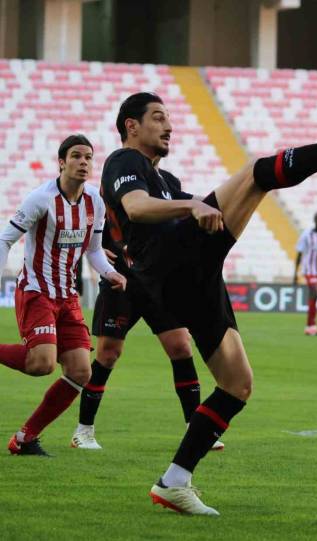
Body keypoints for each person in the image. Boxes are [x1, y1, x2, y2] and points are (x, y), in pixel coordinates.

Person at [101, 92, 317, 515]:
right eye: (158, 118)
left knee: (237, 385)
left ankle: (174, 481)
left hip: (193, 279)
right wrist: (191, 205)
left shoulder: (162, 178)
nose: (169, 126)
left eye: (169, 118)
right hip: (170, 265)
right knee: (258, 173)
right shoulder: (123, 161)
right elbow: (136, 206)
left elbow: (193, 202)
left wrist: (192, 202)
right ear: (131, 126)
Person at [70, 158, 223, 451]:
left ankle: (196, 427)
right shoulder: (121, 175)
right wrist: (95, 246)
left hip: (158, 282)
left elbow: (188, 201)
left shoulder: (167, 181)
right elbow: (99, 216)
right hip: (122, 281)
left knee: (181, 346)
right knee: (108, 353)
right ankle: (83, 430)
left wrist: (222, 202)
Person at [0, 134, 126, 456]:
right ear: (61, 162)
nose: (83, 162)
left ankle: (25, 438)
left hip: (67, 296)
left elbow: (94, 251)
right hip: (37, 291)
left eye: (88, 157)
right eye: (76, 156)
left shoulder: (94, 202)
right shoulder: (40, 199)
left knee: (81, 372)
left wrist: (110, 273)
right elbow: (5, 240)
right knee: (41, 364)